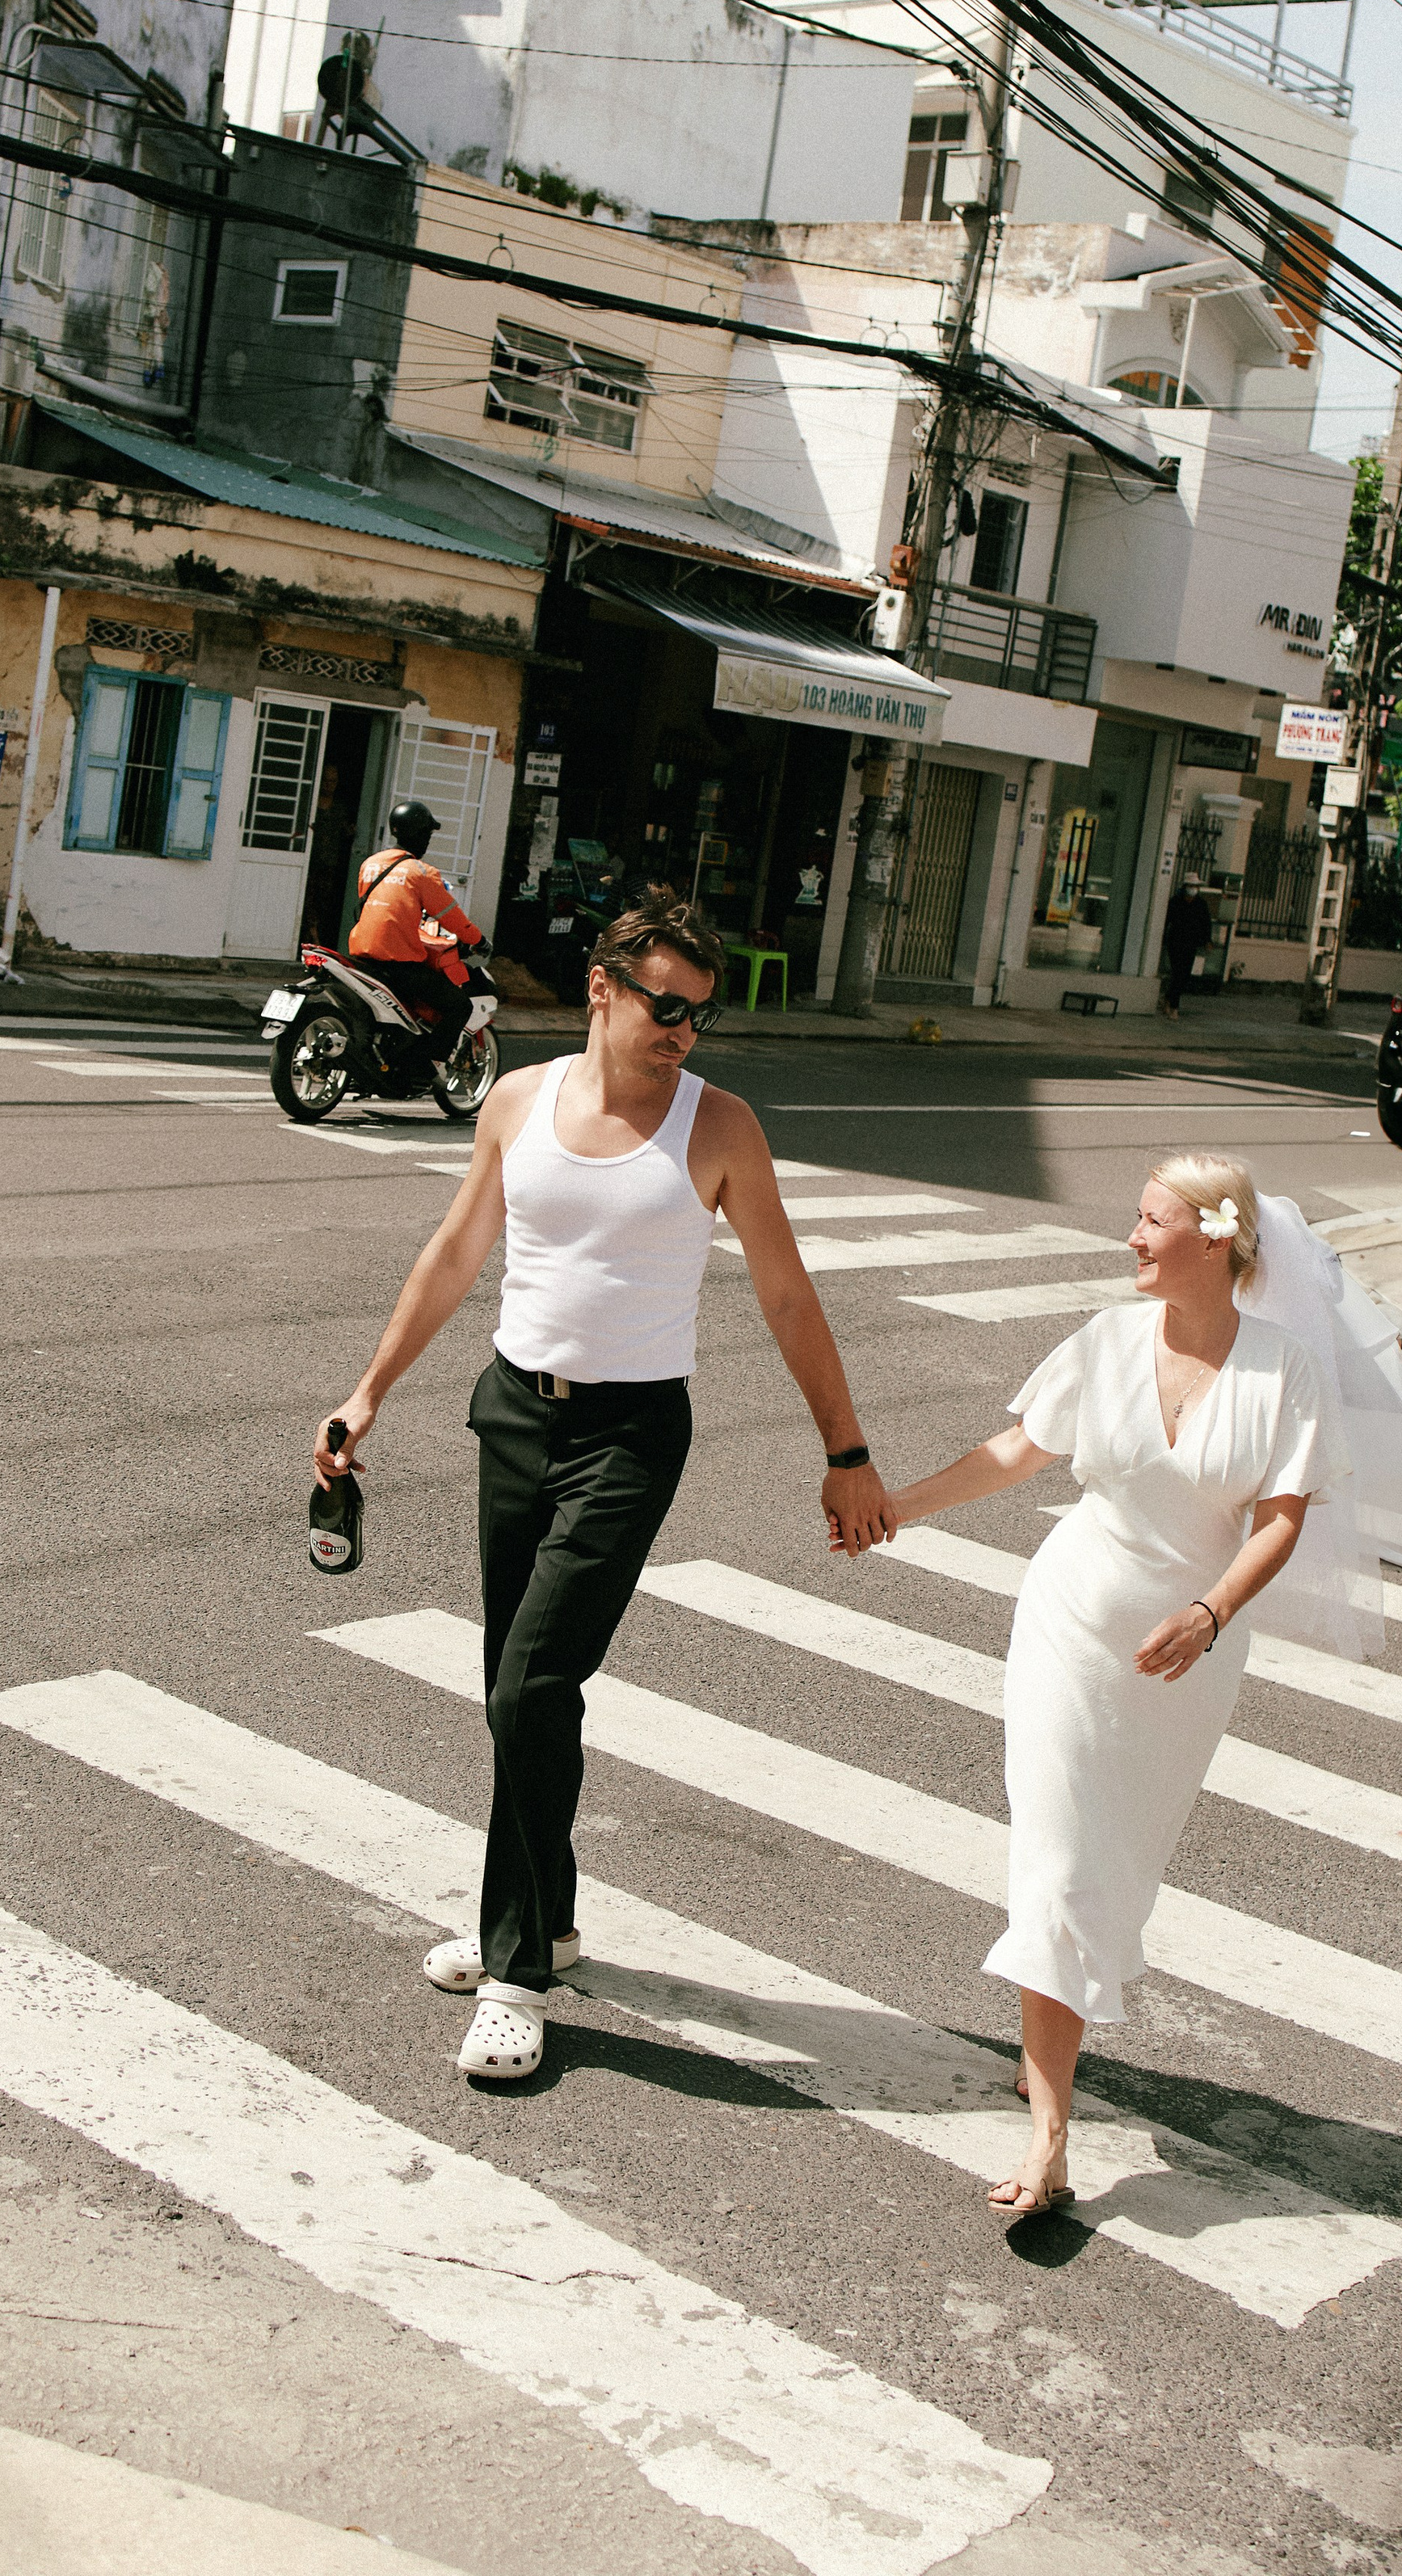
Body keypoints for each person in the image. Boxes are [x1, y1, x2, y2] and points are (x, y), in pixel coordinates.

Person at [313, 892, 895, 2081]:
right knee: (518, 1688)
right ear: (602, 989)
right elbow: (456, 1252)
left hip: (631, 1437)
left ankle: (520, 1970)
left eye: (699, 1013)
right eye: (662, 1004)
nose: (682, 1029)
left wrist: (846, 1454)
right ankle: (548, 1918)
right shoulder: (519, 1101)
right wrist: (369, 1392)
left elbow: (788, 1294)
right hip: (515, 1414)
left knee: (531, 1685)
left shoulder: (717, 1128)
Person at [878, 1153, 1349, 2221]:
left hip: (1186, 1659)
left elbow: (1281, 1519)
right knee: (1060, 1866)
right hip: (1070, 1629)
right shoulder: (1102, 1342)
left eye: (1152, 1221)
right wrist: (903, 1507)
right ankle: (1050, 2133)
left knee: (1115, 1873)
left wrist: (1211, 1611)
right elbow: (1015, 1452)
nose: (1131, 1239)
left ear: (1217, 1236)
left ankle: (1049, 2031)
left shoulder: (1285, 1373)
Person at [345, 797, 482, 1063]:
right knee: (459, 1006)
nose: (429, 841)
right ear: (420, 834)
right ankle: (426, 1063)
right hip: (399, 965)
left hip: (360, 958)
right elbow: (451, 917)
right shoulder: (421, 872)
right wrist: (479, 940)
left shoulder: (370, 864)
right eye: (428, 834)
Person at [1158, 875, 1214, 1017]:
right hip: (1175, 941)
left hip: (1191, 943)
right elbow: (1167, 920)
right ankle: (1174, 1007)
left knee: (1185, 975)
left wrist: (1207, 940)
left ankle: (1168, 998)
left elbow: (1206, 923)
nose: (1193, 889)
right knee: (1177, 972)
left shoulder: (1201, 904)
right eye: (1190, 886)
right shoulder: (1175, 902)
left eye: (1195, 887)